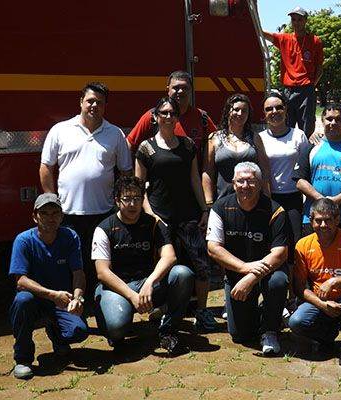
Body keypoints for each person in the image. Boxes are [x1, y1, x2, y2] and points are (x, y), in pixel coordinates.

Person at [40, 82, 133, 308]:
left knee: (98, 264)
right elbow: (46, 167)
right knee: (71, 263)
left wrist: (121, 203)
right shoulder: (60, 130)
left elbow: (126, 171)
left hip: (103, 213)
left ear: (105, 106)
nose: (94, 105)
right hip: (67, 213)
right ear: (81, 101)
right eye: (90, 101)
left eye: (99, 102)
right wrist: (52, 201)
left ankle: (98, 306)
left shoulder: (115, 134)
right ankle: (68, 306)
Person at [135, 97, 215, 332]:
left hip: (188, 217)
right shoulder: (146, 148)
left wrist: (204, 209)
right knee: (166, 268)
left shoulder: (188, 145)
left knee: (201, 266)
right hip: (160, 218)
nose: (169, 117)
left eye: (173, 113)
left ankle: (202, 311)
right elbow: (139, 188)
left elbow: (194, 179)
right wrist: (151, 216)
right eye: (164, 113)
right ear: (155, 117)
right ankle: (165, 310)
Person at [92, 176, 195, 353]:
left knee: (183, 274)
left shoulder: (153, 224)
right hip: (116, 287)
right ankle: (114, 329)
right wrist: (132, 296)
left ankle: (168, 331)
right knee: (116, 328)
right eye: (127, 199)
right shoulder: (104, 229)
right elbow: (102, 272)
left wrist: (149, 283)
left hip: (146, 283)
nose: (132, 204)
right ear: (117, 200)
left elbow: (169, 257)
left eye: (137, 198)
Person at [206, 162, 288, 355]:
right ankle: (263, 311)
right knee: (240, 334)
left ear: (260, 183)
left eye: (251, 181)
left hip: (269, 272)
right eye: (240, 181)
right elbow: (213, 248)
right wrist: (244, 268)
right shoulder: (220, 207)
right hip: (237, 272)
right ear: (233, 183)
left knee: (278, 281)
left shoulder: (275, 210)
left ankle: (270, 330)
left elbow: (280, 254)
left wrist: (251, 276)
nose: (245, 186)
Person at [9, 193, 88, 379]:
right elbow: (20, 280)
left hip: (62, 299)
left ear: (61, 216)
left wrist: (77, 298)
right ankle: (23, 358)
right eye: (44, 213)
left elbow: (78, 273)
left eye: (55, 213)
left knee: (79, 331)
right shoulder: (23, 240)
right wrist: (52, 295)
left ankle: (57, 335)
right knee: (22, 301)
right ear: (35, 216)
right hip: (36, 298)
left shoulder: (70, 237)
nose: (50, 218)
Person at [289, 198, 341, 367]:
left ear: (337, 219)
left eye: (328, 220)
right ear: (311, 221)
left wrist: (335, 281)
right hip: (320, 301)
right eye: (318, 220)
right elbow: (299, 288)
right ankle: (326, 337)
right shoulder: (303, 245)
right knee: (296, 322)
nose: (323, 225)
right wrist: (322, 305)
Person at [293, 103, 341, 235]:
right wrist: (322, 200)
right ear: (322, 120)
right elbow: (300, 181)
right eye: (329, 119)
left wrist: (336, 201)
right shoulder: (312, 146)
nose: (333, 123)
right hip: (313, 219)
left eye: (338, 119)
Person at [257, 91, 309, 262]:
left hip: (293, 198)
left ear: (286, 110)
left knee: (295, 242)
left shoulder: (298, 135)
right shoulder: (259, 138)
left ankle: (294, 279)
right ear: (264, 113)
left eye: (279, 107)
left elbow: (306, 167)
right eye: (269, 109)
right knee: (271, 242)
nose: (274, 112)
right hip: (269, 198)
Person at [126, 70, 217, 160]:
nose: (180, 91)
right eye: (176, 88)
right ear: (168, 90)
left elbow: (218, 146)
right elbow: (128, 146)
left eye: (185, 88)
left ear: (191, 90)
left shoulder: (202, 118)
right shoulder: (152, 117)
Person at [263, 6, 324, 137]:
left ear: (305, 21)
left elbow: (319, 68)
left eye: (299, 19)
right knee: (286, 125)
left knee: (307, 126)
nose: (296, 22)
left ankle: (305, 147)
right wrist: (254, 25)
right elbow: (266, 35)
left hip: (306, 90)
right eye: (293, 19)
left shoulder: (315, 41)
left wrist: (311, 85)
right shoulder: (285, 39)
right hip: (288, 90)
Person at [202, 93, 271, 204]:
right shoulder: (214, 138)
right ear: (228, 112)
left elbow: (265, 170)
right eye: (236, 109)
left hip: (252, 202)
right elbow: (208, 172)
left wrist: (267, 199)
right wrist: (208, 202)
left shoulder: (255, 138)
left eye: (244, 111)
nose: (240, 113)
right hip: (223, 202)